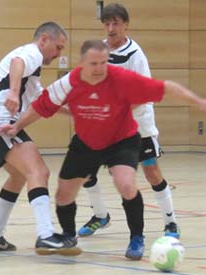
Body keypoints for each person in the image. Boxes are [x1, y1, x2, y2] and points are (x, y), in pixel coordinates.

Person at [0, 40, 206, 260]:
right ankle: (67, 237)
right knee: (63, 194)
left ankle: (136, 238)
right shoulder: (69, 83)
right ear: (82, 63)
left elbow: (167, 87)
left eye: (104, 63)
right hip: (86, 142)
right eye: (94, 64)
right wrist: (16, 127)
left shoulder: (121, 79)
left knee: (125, 184)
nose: (100, 68)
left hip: (121, 140)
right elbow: (40, 107)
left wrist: (200, 103)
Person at [0, 21, 81, 256]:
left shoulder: (33, 71)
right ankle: (47, 235)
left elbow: (42, 101)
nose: (60, 53)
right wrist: (12, 91)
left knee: (20, 176)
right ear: (44, 40)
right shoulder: (30, 54)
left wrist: (77, 113)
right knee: (38, 171)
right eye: (58, 47)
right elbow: (16, 64)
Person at [78, 3, 182, 239]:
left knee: (152, 172)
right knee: (85, 170)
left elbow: (144, 95)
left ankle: (171, 222)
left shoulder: (136, 56)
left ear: (126, 24)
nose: (111, 28)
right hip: (104, 127)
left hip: (137, 126)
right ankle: (100, 215)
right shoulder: (100, 51)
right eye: (107, 24)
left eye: (116, 23)